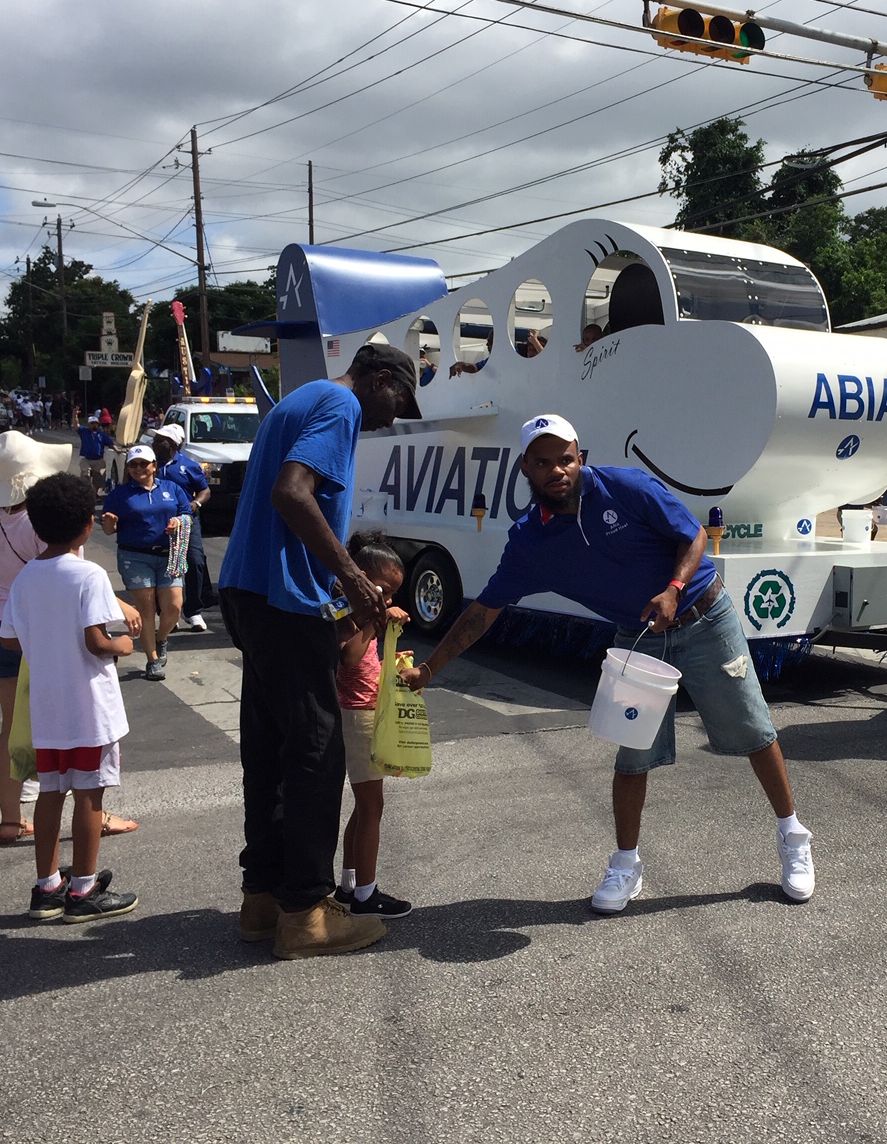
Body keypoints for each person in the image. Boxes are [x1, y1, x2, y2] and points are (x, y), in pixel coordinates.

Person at [403, 414, 816, 914]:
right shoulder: (529, 543)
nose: (557, 470)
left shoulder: (627, 487)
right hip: (637, 639)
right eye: (543, 462)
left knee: (754, 730)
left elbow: (694, 537)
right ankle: (626, 865)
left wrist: (673, 589)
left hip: (705, 616)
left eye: (565, 459)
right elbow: (483, 612)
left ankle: (793, 836)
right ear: (525, 469)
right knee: (632, 756)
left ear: (581, 458)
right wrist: (430, 670)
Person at [218, 341, 420, 960]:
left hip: (247, 590)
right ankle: (306, 910)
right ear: (380, 378)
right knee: (314, 753)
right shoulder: (340, 404)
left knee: (270, 747)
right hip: (283, 602)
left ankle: (262, 898)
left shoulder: (301, 398)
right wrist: (354, 579)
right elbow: (292, 493)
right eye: (400, 399)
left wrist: (334, 574)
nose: (397, 415)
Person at [0, 431, 136, 842]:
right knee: (76, 728)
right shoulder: (47, 525)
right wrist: (122, 608)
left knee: (11, 727)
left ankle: (10, 820)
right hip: (53, 630)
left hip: (4, 621)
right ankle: (92, 814)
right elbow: (73, 585)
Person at [2, 472, 141, 925]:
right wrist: (125, 645)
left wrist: (44, 642)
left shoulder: (25, 578)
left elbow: (8, 640)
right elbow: (97, 642)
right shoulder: (89, 575)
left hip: (47, 705)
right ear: (87, 524)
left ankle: (47, 887)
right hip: (88, 707)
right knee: (89, 796)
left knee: (51, 792)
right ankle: (83, 888)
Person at [334, 532, 412, 919]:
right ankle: (366, 895)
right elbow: (348, 656)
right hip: (355, 714)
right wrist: (373, 614)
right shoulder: (341, 607)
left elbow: (366, 659)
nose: (390, 598)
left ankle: (349, 885)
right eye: (384, 588)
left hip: (367, 708)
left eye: (394, 593)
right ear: (360, 576)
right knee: (372, 807)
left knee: (363, 808)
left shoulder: (359, 609)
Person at [101, 445, 190, 681]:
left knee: (174, 607)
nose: (138, 468)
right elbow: (109, 530)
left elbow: (186, 514)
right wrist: (109, 522)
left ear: (154, 466)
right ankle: (152, 660)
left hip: (168, 555)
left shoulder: (172, 489)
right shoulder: (120, 494)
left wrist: (179, 522)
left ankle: (161, 638)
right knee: (146, 608)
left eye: (143, 464)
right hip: (135, 556)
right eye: (133, 464)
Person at [152, 424, 213, 634]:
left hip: (187, 520)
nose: (155, 443)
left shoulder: (189, 465)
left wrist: (197, 503)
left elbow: (204, 490)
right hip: (159, 521)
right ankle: (168, 612)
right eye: (156, 439)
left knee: (195, 561)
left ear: (174, 444)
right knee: (163, 565)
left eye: (161, 440)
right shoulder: (151, 465)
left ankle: (193, 610)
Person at [78, 415, 114, 498]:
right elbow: (76, 424)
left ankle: (93, 493)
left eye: (96, 423)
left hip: (98, 460)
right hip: (86, 459)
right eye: (92, 423)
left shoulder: (102, 435)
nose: (94, 425)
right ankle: (86, 493)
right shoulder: (84, 431)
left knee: (99, 478)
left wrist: (118, 450)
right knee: (85, 475)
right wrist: (75, 415)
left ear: (98, 425)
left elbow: (111, 444)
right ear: (88, 424)